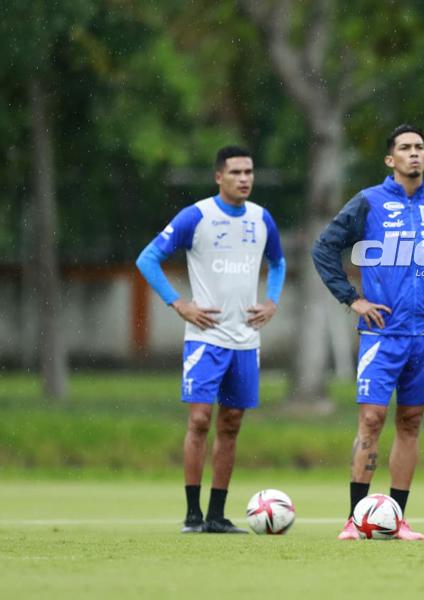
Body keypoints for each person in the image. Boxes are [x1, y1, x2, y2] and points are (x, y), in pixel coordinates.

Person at [312, 124, 424, 540]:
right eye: (405, 148)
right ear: (391, 160)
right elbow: (324, 247)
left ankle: (396, 519)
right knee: (371, 418)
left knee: (411, 422)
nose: (414, 153)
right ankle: (354, 518)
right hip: (380, 334)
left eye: (420, 147)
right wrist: (353, 299)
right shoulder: (368, 202)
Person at [135, 146, 286, 534]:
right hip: (205, 339)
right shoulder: (196, 216)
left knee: (231, 423)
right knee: (200, 420)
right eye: (236, 172)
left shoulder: (261, 218)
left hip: (245, 341)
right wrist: (178, 304)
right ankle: (192, 514)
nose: (244, 179)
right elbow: (147, 259)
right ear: (219, 177)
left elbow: (279, 262)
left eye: (249, 172)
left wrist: (271, 302)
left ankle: (217, 516)